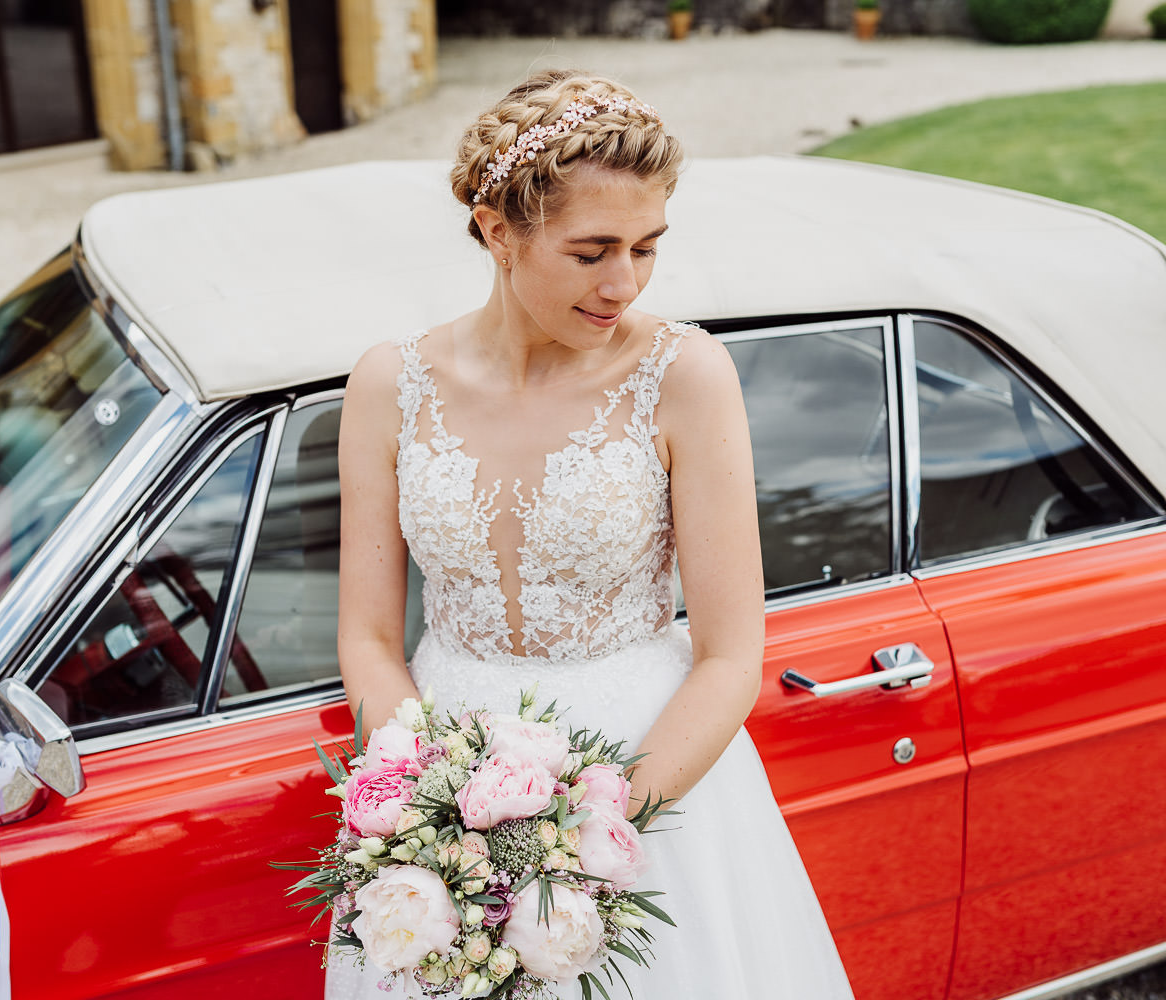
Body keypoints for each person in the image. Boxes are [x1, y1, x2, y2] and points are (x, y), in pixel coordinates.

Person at [330, 69, 854, 999]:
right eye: (592, 251)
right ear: (499, 232)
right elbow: (369, 637)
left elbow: (732, 654)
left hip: (651, 781)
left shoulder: (684, 376)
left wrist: (586, 839)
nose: (625, 282)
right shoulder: (387, 385)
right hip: (445, 777)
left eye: (647, 248)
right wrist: (428, 806)